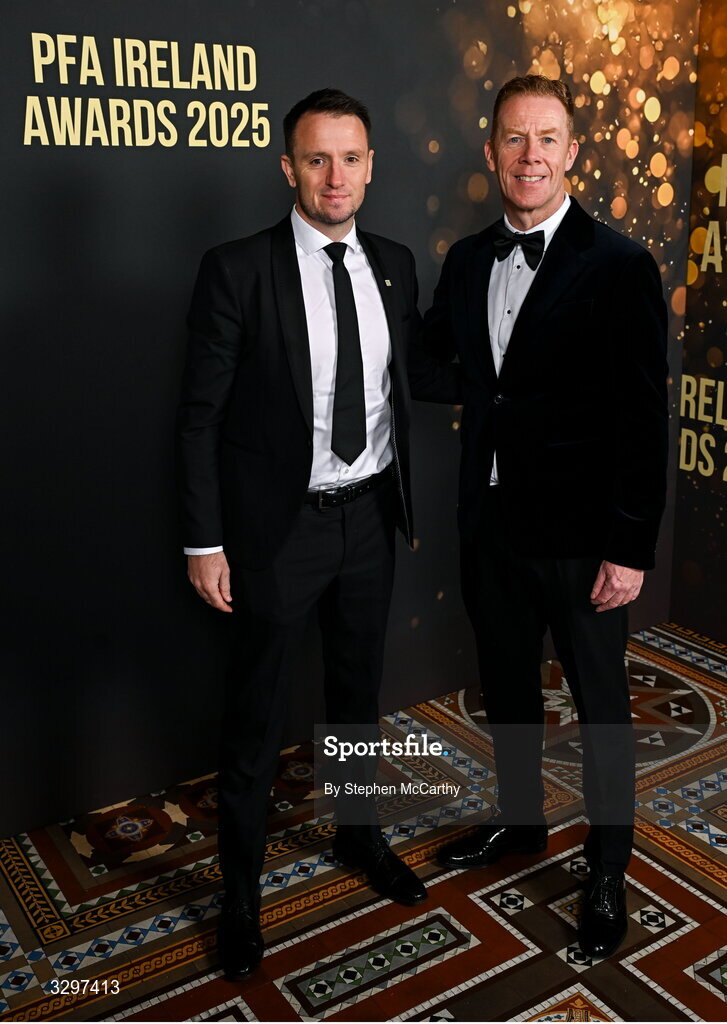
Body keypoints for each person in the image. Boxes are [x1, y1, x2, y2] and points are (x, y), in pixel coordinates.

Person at [176, 88, 459, 981]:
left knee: (355, 702)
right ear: (287, 168)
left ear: (372, 166)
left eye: (350, 158)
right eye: (316, 159)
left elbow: (419, 375)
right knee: (255, 723)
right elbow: (198, 419)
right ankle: (241, 900)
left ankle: (359, 839)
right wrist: (203, 541)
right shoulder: (236, 269)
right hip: (276, 531)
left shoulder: (395, 264)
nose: (334, 177)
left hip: (370, 519)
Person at [426, 75, 668, 959]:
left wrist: (629, 546)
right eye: (513, 139)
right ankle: (520, 823)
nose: (529, 155)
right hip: (490, 527)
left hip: (582, 540)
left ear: (572, 153)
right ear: (491, 152)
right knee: (510, 693)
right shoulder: (464, 260)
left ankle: (607, 869)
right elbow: (437, 366)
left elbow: (645, 419)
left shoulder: (620, 265)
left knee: (601, 708)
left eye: (547, 139)